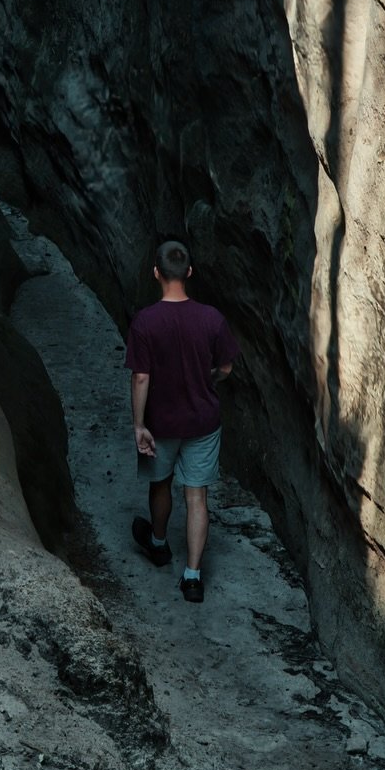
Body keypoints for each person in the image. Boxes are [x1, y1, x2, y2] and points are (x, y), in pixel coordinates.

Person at [125, 238, 239, 603]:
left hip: (161, 420)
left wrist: (139, 424)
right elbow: (226, 367)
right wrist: (209, 380)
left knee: (160, 484)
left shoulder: (145, 322)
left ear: (156, 273)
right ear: (189, 272)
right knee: (197, 497)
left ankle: (158, 543)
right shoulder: (211, 318)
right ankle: (192, 577)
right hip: (203, 421)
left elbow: (140, 376)